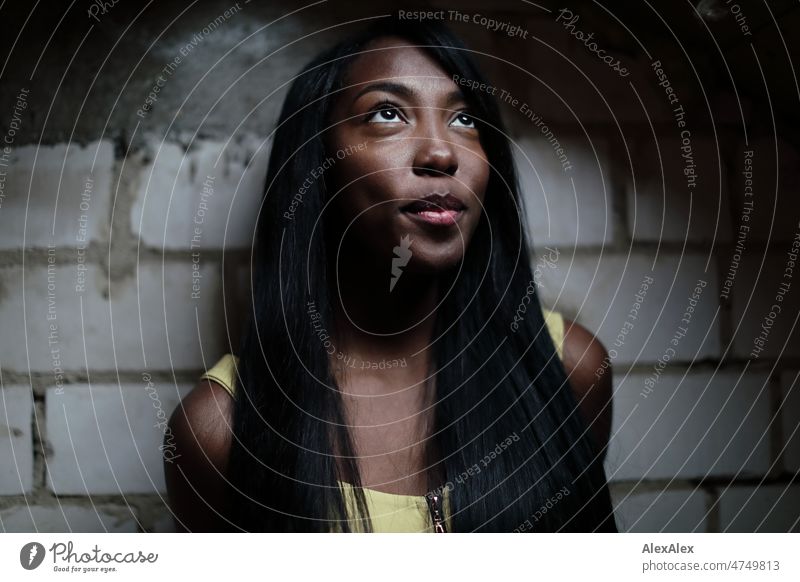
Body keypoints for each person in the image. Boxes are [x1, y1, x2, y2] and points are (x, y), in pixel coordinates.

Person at [165, 15, 617, 533]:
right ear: (318, 163)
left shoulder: (568, 371)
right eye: (387, 114)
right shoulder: (218, 431)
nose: (441, 152)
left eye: (466, 120)